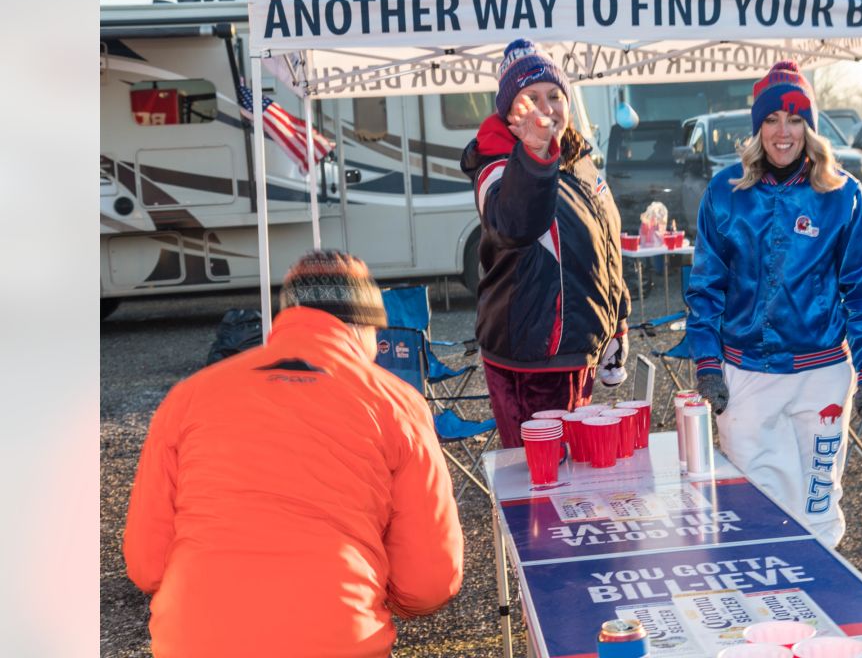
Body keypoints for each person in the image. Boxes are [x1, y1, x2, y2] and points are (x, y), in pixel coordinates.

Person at [123, 250, 464, 658]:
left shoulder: (190, 396)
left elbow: (147, 563)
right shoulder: (395, 402)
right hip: (337, 639)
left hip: (193, 639)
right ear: (364, 327)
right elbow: (429, 582)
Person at [685, 61, 862, 548]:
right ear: (758, 127)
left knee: (819, 504)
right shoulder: (725, 192)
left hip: (819, 375)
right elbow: (705, 287)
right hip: (746, 375)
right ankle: (763, 615)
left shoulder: (842, 195)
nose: (784, 132)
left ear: (810, 128)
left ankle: (820, 611)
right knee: (755, 505)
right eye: (773, 119)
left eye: (796, 119)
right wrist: (707, 363)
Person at [460, 39, 631, 448]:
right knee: (539, 491)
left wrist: (617, 321)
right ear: (509, 109)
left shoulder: (578, 159)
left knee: (574, 486)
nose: (546, 107)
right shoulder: (497, 164)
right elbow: (515, 224)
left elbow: (606, 247)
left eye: (555, 95)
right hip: (531, 364)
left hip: (577, 355)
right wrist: (534, 153)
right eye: (530, 97)